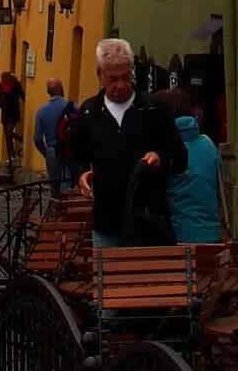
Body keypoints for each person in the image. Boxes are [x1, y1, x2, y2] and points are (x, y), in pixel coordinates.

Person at [73, 37, 187, 246]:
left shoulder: (154, 109)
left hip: (149, 223)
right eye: (113, 79)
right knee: (106, 278)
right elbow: (76, 157)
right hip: (107, 223)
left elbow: (180, 160)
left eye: (126, 77)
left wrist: (160, 158)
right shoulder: (89, 112)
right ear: (99, 75)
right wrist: (81, 174)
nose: (121, 85)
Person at [154, 88, 223, 244]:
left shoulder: (162, 149)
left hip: (177, 239)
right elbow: (219, 186)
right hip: (212, 237)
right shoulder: (208, 143)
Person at [33, 79, 72, 195]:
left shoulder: (42, 112)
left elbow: (37, 139)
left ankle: (56, 209)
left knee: (54, 187)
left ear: (48, 92)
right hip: (70, 150)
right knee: (68, 184)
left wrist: (45, 152)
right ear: (62, 90)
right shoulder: (73, 107)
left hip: (52, 151)